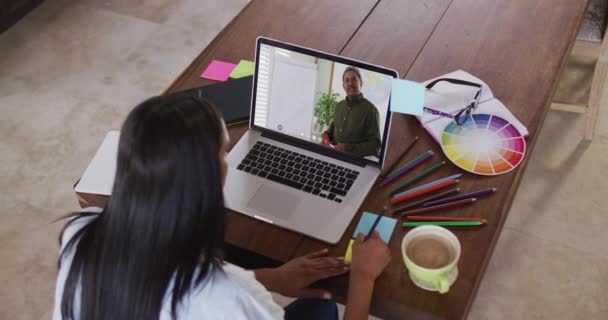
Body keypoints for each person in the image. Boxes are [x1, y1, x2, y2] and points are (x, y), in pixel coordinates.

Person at [53, 94, 391, 320]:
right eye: (224, 152)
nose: (229, 160)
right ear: (207, 178)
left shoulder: (79, 234)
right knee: (322, 310)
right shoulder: (227, 301)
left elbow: (158, 282)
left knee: (316, 309)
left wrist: (271, 277)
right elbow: (216, 296)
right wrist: (362, 277)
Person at [322, 67, 381, 158]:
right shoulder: (339, 106)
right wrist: (326, 135)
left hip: (354, 160)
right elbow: (331, 131)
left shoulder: (371, 110)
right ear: (343, 86)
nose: (350, 83)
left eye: (354, 79)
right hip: (332, 155)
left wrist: (346, 148)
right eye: (347, 80)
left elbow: (375, 146)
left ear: (360, 83)